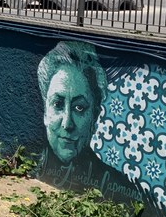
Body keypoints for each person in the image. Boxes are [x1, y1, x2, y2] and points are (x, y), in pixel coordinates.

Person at [35, 41, 138, 208]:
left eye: (79, 108)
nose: (67, 123)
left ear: (95, 116)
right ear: (46, 111)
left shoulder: (118, 187)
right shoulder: (30, 163)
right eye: (58, 104)